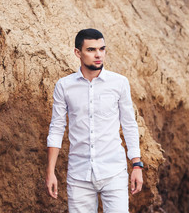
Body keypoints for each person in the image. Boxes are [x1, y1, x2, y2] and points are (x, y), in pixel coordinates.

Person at [45, 28, 143, 212]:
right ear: (77, 53)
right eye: (91, 50)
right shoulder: (64, 86)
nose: (98, 55)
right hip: (79, 175)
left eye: (101, 49)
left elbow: (129, 125)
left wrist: (136, 164)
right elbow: (57, 129)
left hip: (114, 172)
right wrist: (50, 172)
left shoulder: (119, 83)